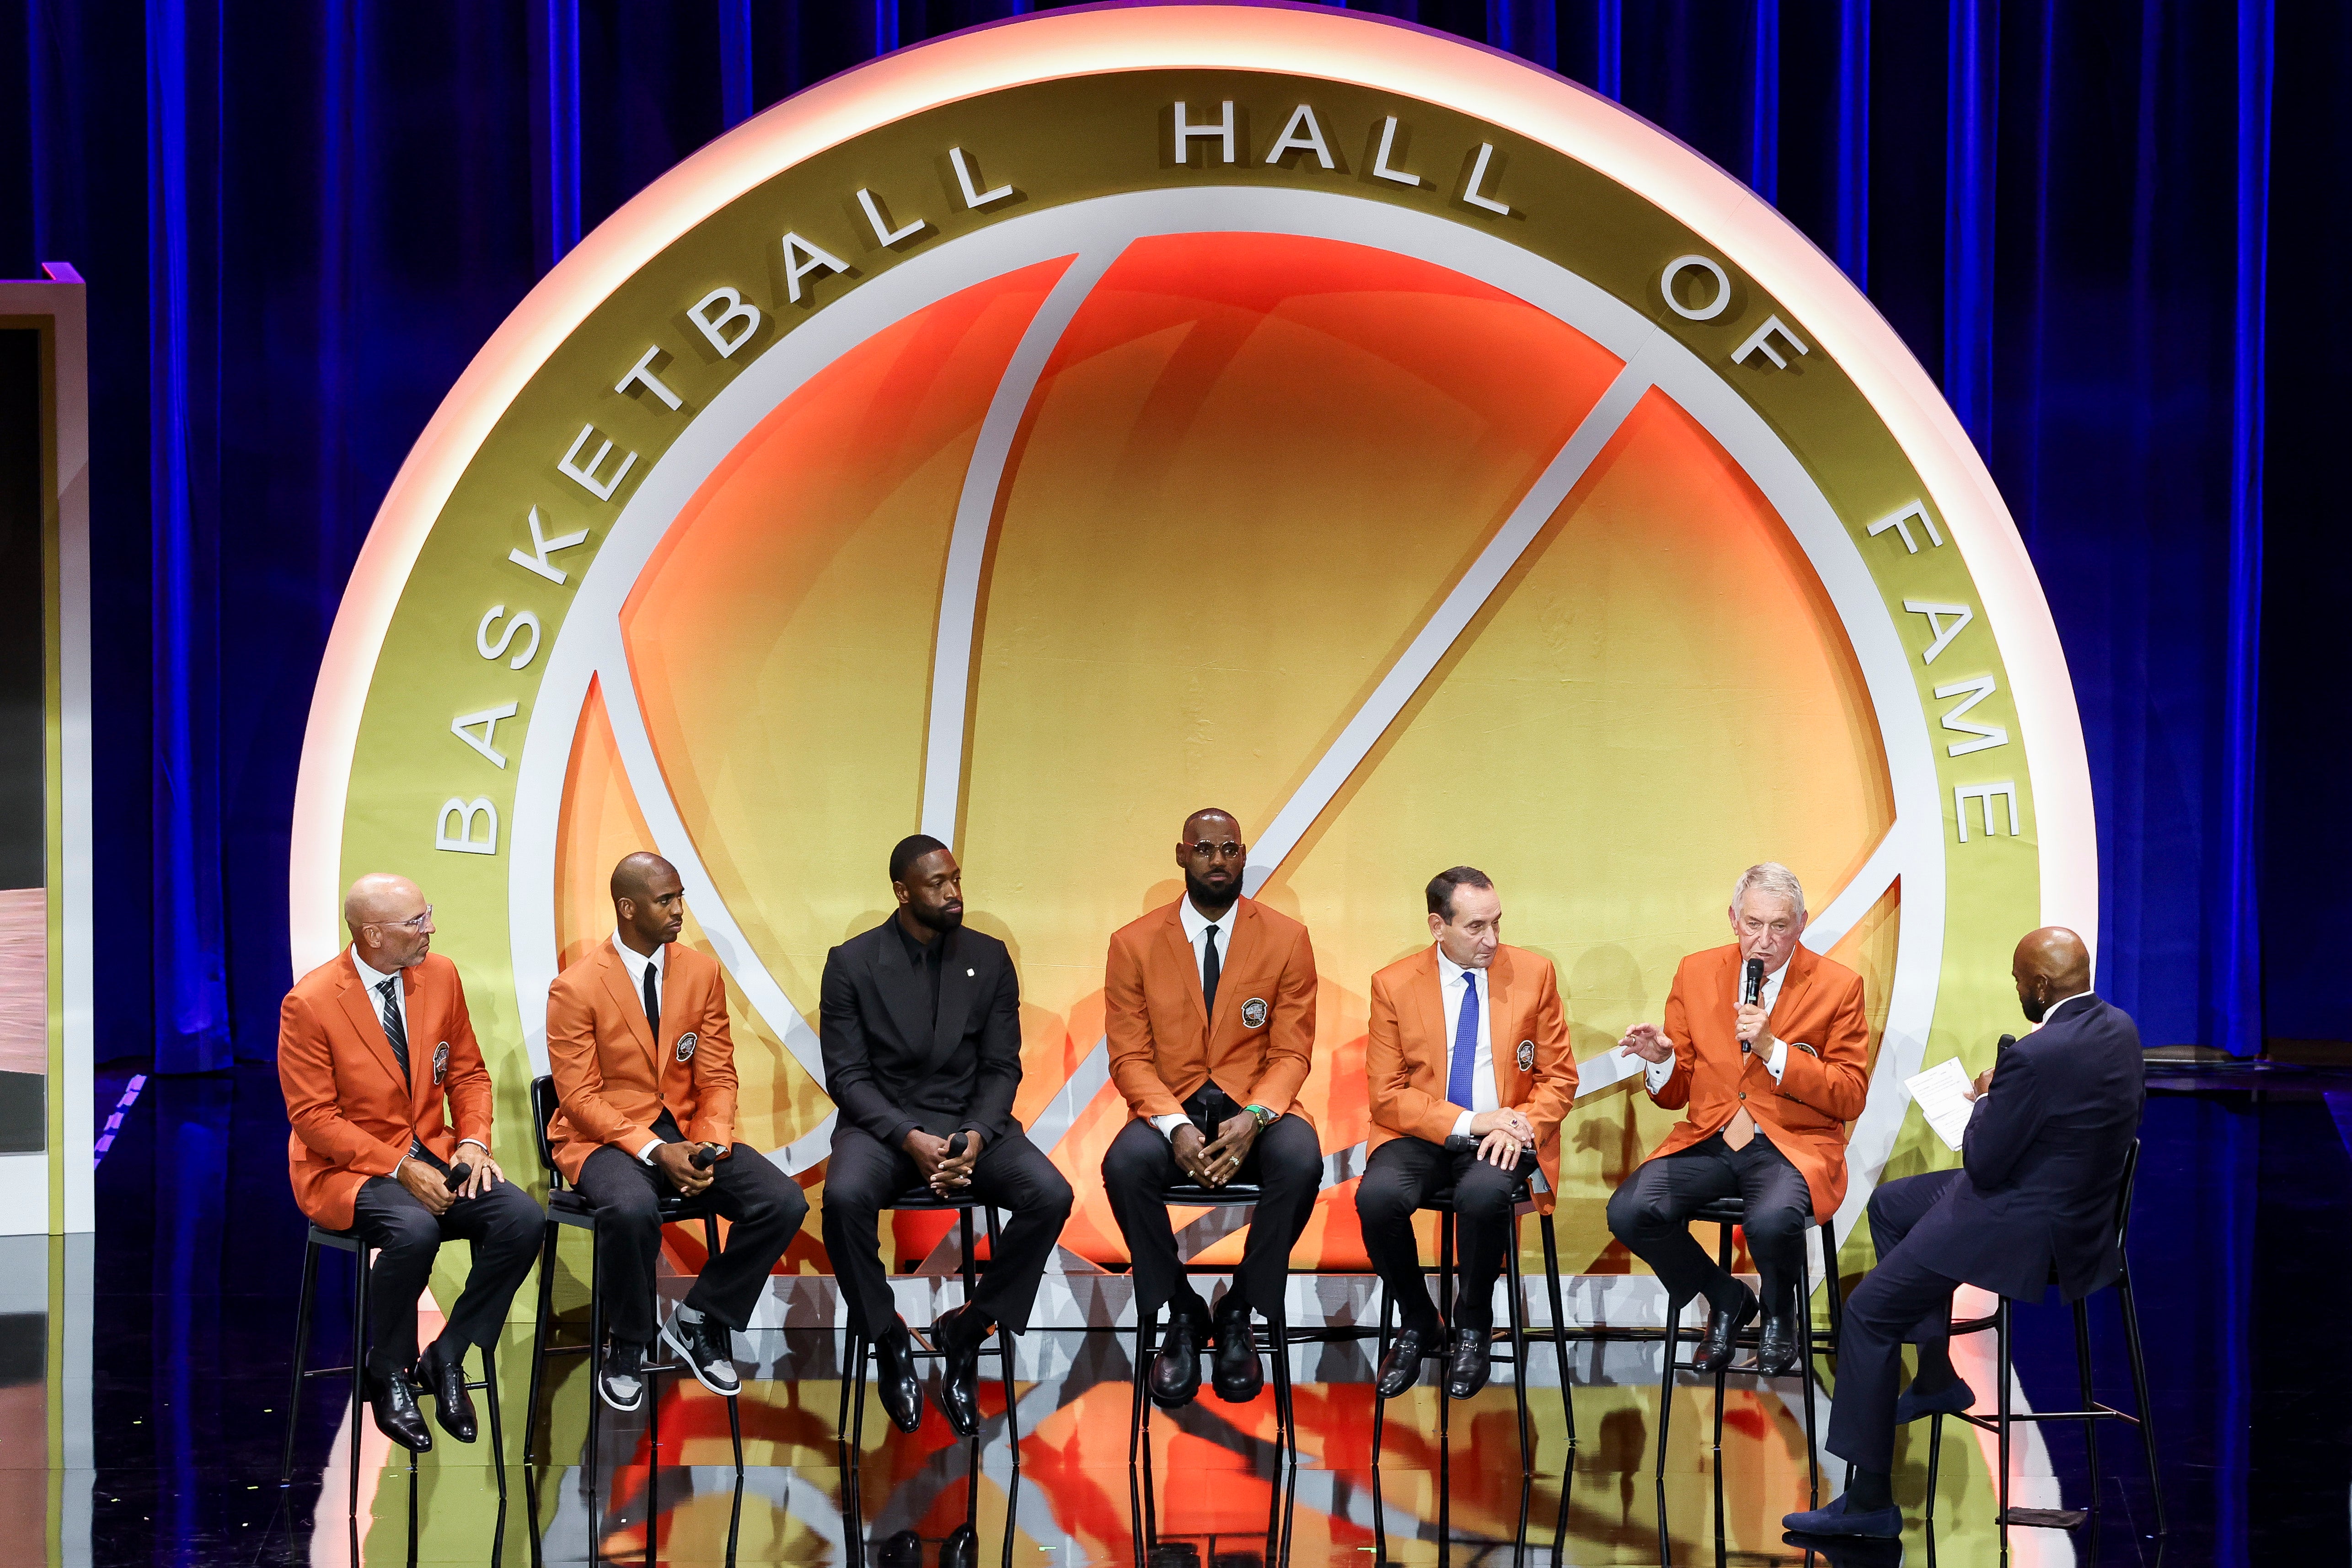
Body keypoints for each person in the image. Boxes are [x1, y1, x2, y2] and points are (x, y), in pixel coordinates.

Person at [1784, 926, 2145, 1539]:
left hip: (2021, 1226)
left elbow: (1982, 1162)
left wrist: (1984, 1099)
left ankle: (1868, 1502)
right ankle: (1935, 1375)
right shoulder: (2119, 1027)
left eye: (2017, 980)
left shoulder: (2033, 1056)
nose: (2015, 988)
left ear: (2039, 985)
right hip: (2082, 1219)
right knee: (1892, 1205)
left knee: (1868, 1313)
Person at [818, 835, 1074, 1437]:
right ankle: (887, 1334)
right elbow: (847, 1076)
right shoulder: (852, 963)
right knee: (843, 1198)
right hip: (884, 1127)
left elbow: (1001, 1066)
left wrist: (977, 1135)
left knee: (1050, 1195)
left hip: (970, 1121)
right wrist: (908, 1136)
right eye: (937, 884)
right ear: (902, 892)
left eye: (955, 879)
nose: (953, 892)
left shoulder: (989, 957)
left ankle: (968, 1328)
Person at [278, 874, 543, 1451]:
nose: (431, 929)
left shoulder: (441, 976)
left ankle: (448, 1354)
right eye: (417, 921)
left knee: (521, 1218)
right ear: (373, 934)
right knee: (414, 1229)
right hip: (346, 1169)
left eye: (428, 914)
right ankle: (388, 1369)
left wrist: (472, 1141)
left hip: (435, 1151)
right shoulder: (311, 1003)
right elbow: (314, 1119)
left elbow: (468, 1074)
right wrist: (399, 1166)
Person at [545, 852, 810, 1411]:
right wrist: (657, 1151)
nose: (678, 910)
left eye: (680, 897)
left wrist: (709, 1143)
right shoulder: (575, 987)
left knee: (782, 1202)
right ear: (627, 907)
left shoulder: (701, 972)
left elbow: (717, 1074)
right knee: (629, 1208)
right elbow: (579, 1099)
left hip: (687, 1127)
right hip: (604, 1137)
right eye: (665, 900)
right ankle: (628, 1341)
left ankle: (700, 1318)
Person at [1608, 862, 1870, 1376]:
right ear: (1733, 919)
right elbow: (1675, 1094)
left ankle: (1778, 1313)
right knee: (1630, 1211)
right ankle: (1725, 1296)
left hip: (1790, 1143)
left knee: (1770, 1221)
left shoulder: (1838, 986)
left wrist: (1775, 1050)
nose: (1764, 940)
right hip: (1711, 1137)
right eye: (1753, 924)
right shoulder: (1696, 972)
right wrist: (1660, 1061)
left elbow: (1850, 1095)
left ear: (1801, 924)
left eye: (1779, 926)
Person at [1102, 808, 1323, 1409]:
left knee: (1301, 1160)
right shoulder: (1132, 943)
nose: (1218, 860)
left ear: (1243, 855)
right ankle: (1180, 1309)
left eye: (1229, 849)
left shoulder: (1285, 938)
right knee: (1124, 1165)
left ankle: (1240, 1309)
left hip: (1256, 1108)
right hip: (1169, 1107)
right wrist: (1173, 1124)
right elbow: (1128, 1057)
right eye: (1204, 849)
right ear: (1181, 855)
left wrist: (1256, 1116)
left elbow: (1292, 1051)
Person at [1358, 867, 1579, 1399]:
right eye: (1476, 927)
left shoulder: (1534, 974)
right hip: (1419, 1134)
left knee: (1482, 1196)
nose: (1492, 939)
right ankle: (1419, 1320)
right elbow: (1386, 1095)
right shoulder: (1393, 985)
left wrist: (1522, 1124)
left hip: (1505, 1134)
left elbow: (1559, 1078)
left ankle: (1474, 1323)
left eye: (1497, 923)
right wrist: (1473, 1121)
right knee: (1377, 1199)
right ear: (1438, 927)